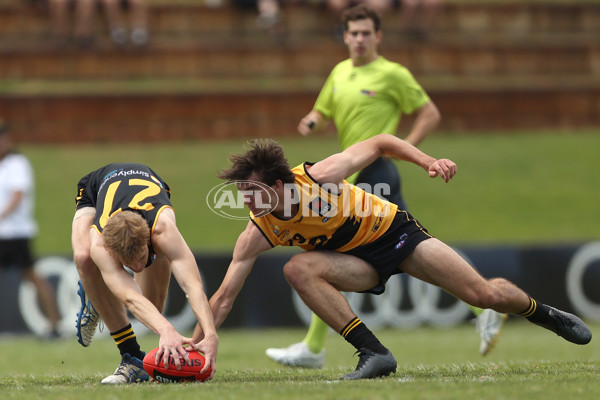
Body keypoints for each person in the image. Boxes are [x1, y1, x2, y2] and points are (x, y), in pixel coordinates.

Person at [193, 134, 592, 380]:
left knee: (484, 296)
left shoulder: (321, 175)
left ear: (279, 185)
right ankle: (375, 353)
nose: (246, 200)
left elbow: (381, 141)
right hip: (357, 262)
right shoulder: (259, 231)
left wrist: (428, 161)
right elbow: (224, 297)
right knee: (298, 268)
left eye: (252, 191)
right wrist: (198, 346)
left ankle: (545, 314)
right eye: (243, 192)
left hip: (396, 236)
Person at [266, 4, 504, 369]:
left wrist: (404, 148)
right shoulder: (339, 73)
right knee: (411, 248)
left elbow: (431, 113)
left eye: (366, 33)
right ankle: (482, 306)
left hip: (377, 171)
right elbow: (323, 109)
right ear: (344, 36)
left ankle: (315, 345)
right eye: (353, 33)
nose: (359, 39)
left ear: (378, 36)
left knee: (379, 250)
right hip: (349, 178)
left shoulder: (392, 74)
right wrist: (312, 119)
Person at [72, 162, 218, 384]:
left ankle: (99, 293)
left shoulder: (163, 230)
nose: (137, 268)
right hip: (96, 187)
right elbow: (131, 298)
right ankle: (130, 357)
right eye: (127, 264)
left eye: (141, 258)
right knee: (85, 259)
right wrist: (167, 330)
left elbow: (192, 286)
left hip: (150, 193)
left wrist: (210, 334)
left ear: (148, 240)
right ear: (112, 251)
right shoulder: (100, 244)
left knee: (152, 306)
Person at [0, 121, 61, 338]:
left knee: (32, 277)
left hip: (15, 232)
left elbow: (18, 194)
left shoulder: (17, 163)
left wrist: (2, 214)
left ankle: (55, 324)